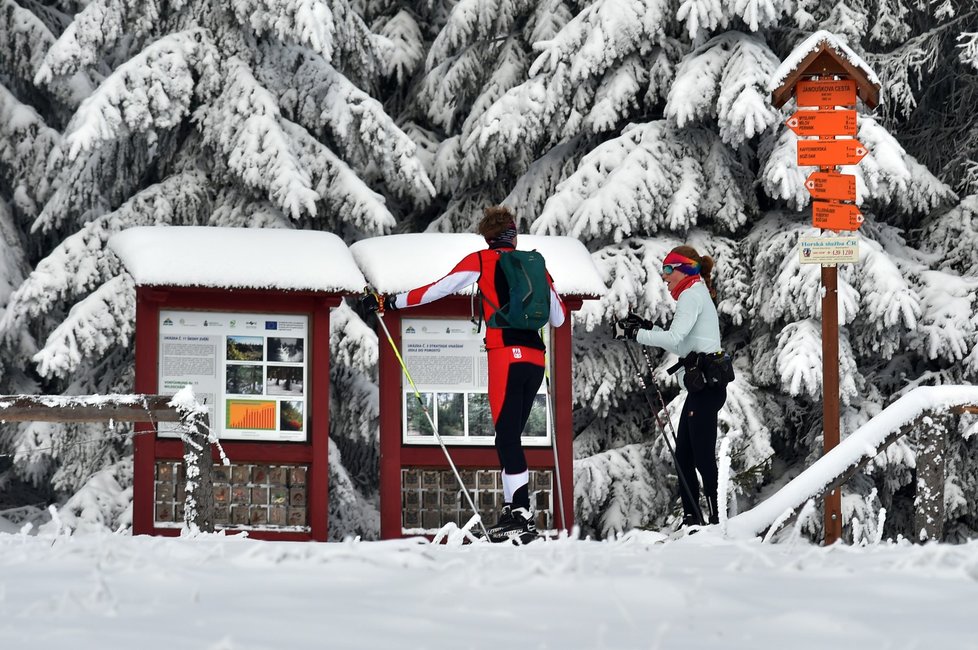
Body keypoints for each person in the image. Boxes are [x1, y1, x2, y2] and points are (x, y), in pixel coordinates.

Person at [361, 206, 567, 543]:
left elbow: (438, 289)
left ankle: (520, 513)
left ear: (488, 238)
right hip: (534, 358)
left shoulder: (482, 261)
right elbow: (557, 318)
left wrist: (392, 303)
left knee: (506, 436)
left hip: (504, 355)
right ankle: (514, 512)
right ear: (514, 236)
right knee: (511, 435)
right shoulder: (537, 268)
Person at [614, 246, 728, 526]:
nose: (664, 277)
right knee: (685, 456)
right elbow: (679, 341)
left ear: (685, 268)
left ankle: (713, 519)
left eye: (668, 270)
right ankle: (693, 518)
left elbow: (676, 337)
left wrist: (635, 332)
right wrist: (646, 326)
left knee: (699, 456)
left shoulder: (691, 294)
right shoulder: (696, 292)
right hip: (704, 387)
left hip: (705, 387)